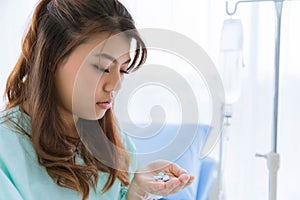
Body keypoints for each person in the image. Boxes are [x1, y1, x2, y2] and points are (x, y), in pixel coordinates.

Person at [0, 0, 194, 199]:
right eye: (102, 67)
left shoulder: (112, 138)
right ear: (52, 56)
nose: (115, 85)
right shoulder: (5, 149)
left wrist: (137, 191)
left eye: (123, 70)